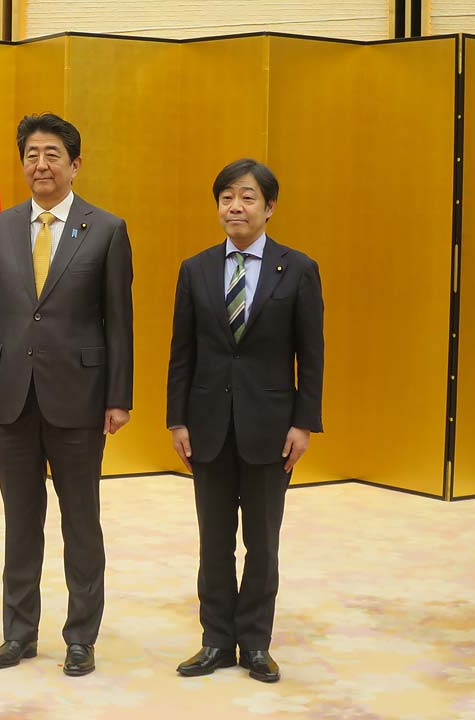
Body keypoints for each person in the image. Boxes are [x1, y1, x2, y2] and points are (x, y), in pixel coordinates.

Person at [0, 113, 134, 677]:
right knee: (21, 519)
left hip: (80, 398)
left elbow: (119, 322)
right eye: (32, 154)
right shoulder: (0, 226)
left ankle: (81, 636)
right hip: (11, 393)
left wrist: (119, 397)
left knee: (80, 521)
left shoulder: (106, 229)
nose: (41, 164)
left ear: (75, 164)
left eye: (52, 155)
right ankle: (19, 633)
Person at [167, 159, 324, 683]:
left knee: (262, 541)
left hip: (271, 429)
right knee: (213, 540)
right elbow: (181, 353)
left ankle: (255, 643)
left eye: (248, 197)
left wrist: (303, 423)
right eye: (227, 197)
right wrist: (177, 420)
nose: (235, 206)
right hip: (208, 425)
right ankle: (215, 641)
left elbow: (312, 354)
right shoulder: (195, 268)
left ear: (270, 206)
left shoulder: (298, 268)